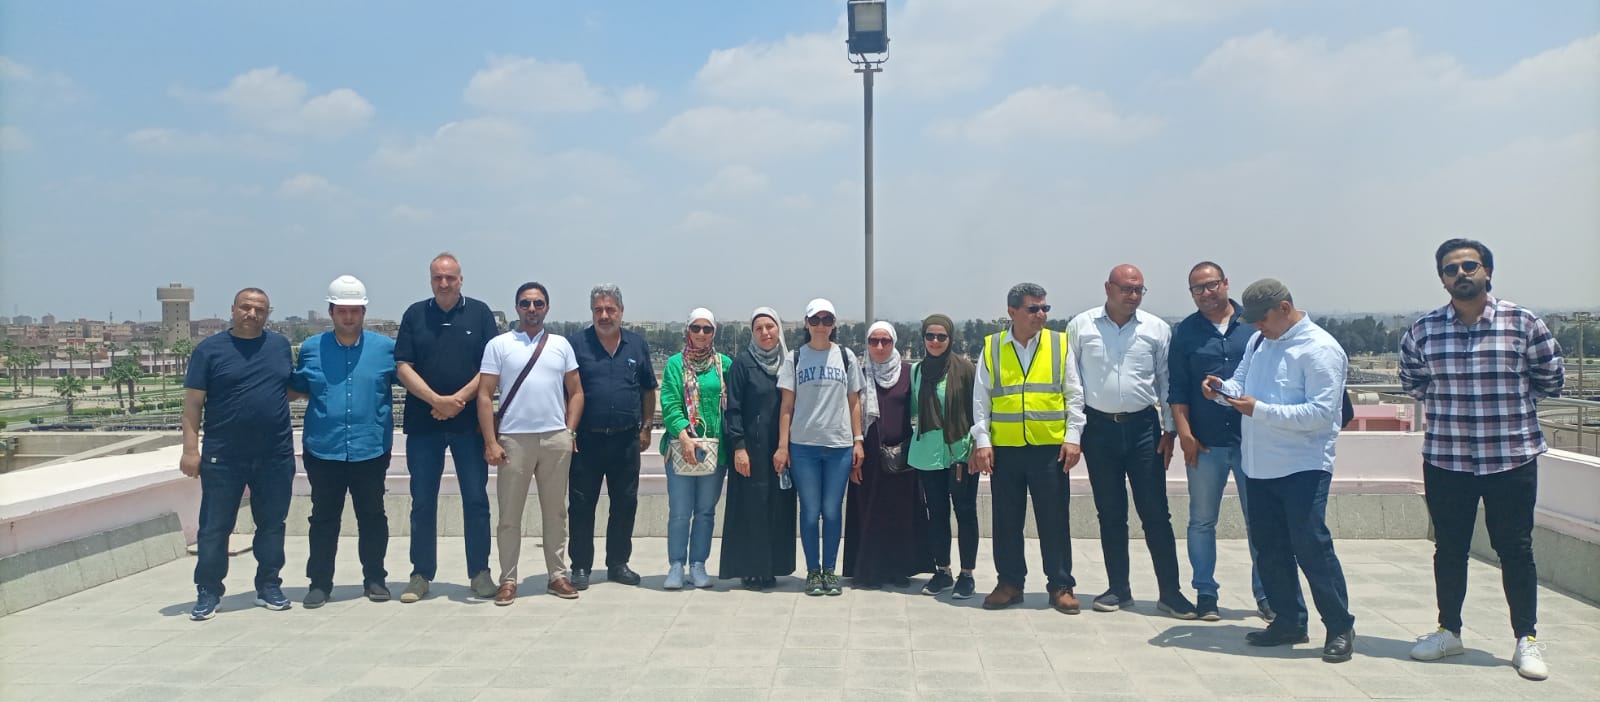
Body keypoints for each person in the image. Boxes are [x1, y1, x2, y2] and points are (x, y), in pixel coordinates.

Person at [1400, 238, 1564, 681]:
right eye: (1451, 269)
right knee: (1449, 549)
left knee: (1516, 549)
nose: (1461, 274)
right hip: (1447, 458)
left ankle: (1526, 639)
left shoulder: (1522, 323)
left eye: (1470, 266)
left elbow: (1551, 379)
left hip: (1511, 457)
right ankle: (1448, 631)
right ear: (1442, 279)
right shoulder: (1424, 331)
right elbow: (1413, 382)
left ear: (1487, 271)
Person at [1204, 278, 1354, 663]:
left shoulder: (1320, 349)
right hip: (1258, 465)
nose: (1257, 326)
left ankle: (1339, 625)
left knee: (1311, 547)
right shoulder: (1259, 342)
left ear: (1284, 308)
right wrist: (1221, 390)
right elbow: (1241, 384)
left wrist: (1259, 410)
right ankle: (1289, 621)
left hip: (1303, 466)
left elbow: (1321, 414)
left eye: (1263, 318)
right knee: (1269, 549)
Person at [1068, 265, 1197, 619]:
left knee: (1155, 513)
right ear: (1108, 287)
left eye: (1139, 289)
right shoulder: (1081, 326)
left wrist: (1170, 430)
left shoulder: (1156, 329)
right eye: (1127, 288)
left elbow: (1166, 382)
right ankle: (1118, 588)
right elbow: (1073, 384)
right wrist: (1074, 434)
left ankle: (1170, 592)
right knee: (1110, 513)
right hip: (1098, 429)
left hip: (1143, 429)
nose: (1133, 295)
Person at [1168, 261, 1275, 622]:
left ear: (1226, 283)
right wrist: (1185, 434)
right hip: (1205, 443)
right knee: (1201, 521)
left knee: (1259, 522)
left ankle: (1267, 594)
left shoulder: (1254, 326)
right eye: (1197, 288)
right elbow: (1178, 389)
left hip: (1253, 442)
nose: (1206, 293)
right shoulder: (1185, 332)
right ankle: (1205, 593)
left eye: (1211, 285)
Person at [181, 288, 296, 620]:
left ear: (268, 313)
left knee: (272, 525)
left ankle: (269, 586)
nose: (252, 313)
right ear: (233, 309)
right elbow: (193, 404)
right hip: (224, 456)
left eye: (260, 309)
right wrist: (190, 450)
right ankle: (208, 592)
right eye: (246, 307)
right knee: (214, 528)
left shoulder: (279, 346)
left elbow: (285, 389)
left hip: (274, 454)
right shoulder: (209, 350)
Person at [971, 283, 1086, 614]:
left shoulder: (1059, 344)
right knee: (1006, 520)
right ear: (1012, 312)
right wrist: (983, 441)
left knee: (1054, 520)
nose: (1041, 315)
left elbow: (1074, 394)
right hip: (1005, 449)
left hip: (1049, 447)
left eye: (1044, 308)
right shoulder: (993, 347)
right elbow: (981, 399)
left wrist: (1073, 436)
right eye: (1033, 309)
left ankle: (1061, 585)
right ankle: (1009, 583)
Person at [394, 253, 500, 603]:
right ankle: (420, 574)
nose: (444, 283)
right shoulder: (414, 314)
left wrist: (456, 400)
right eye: (438, 278)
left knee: (476, 499)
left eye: (450, 278)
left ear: (460, 280)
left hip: (469, 423)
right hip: (423, 423)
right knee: (423, 501)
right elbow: (403, 366)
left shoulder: (480, 314)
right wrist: (436, 401)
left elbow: (490, 368)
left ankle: (480, 573)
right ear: (430, 280)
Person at [290, 275, 397, 608]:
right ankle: (320, 583)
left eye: (354, 311)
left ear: (364, 312)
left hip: (370, 447)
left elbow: (411, 380)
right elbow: (295, 388)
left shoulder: (385, 349)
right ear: (331, 312)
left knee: (372, 516)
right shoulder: (311, 348)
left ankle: (375, 579)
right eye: (342, 311)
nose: (348, 317)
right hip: (324, 448)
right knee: (323, 518)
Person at [477, 282, 583, 604]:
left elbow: (576, 391)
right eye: (525, 303)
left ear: (547, 307)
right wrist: (491, 441)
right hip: (514, 440)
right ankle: (508, 579)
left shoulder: (561, 345)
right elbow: (484, 395)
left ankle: (557, 575)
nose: (532, 309)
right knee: (509, 516)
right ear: (517, 307)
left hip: (555, 438)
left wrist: (569, 432)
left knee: (556, 513)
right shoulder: (499, 345)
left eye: (538, 303)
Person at [568, 284, 657, 589]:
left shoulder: (636, 345)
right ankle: (580, 566)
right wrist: (569, 430)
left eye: (610, 309)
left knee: (625, 503)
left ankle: (618, 563)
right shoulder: (576, 344)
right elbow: (565, 391)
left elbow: (648, 389)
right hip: (585, 441)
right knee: (581, 505)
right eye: (598, 310)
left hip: (625, 440)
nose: (604, 315)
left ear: (621, 311)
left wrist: (646, 427)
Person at [776, 298, 865, 597]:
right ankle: (813, 571)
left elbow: (854, 402)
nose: (821, 325)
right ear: (806, 323)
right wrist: (783, 446)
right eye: (815, 320)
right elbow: (786, 406)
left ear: (834, 324)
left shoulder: (846, 357)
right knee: (810, 511)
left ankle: (830, 570)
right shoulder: (795, 358)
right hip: (804, 446)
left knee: (832, 510)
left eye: (827, 320)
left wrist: (858, 440)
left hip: (839, 445)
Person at [843, 322, 932, 589]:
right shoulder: (859, 375)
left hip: (901, 458)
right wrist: (854, 451)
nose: (879, 347)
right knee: (869, 512)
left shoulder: (908, 373)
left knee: (900, 513)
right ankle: (869, 571)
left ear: (894, 343)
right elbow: (850, 412)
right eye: (873, 341)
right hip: (867, 456)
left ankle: (898, 569)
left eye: (885, 341)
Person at [720, 307, 798, 590]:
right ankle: (751, 569)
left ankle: (771, 567)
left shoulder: (789, 364)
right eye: (759, 328)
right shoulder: (743, 364)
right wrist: (739, 447)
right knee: (751, 508)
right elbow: (733, 409)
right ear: (752, 333)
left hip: (781, 449)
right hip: (751, 451)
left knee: (777, 507)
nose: (765, 333)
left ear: (779, 330)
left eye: (770, 327)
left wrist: (787, 445)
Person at [658, 308, 732, 589]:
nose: (701, 334)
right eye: (696, 328)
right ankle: (676, 564)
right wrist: (685, 436)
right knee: (679, 511)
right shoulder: (675, 364)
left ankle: (698, 563)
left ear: (714, 332)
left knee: (705, 511)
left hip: (714, 451)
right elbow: (669, 403)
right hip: (682, 448)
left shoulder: (724, 365)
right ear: (687, 330)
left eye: (707, 329)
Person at [909, 314, 979, 599]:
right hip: (929, 454)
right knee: (937, 513)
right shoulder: (917, 371)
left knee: (965, 512)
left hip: (961, 452)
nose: (935, 341)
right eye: (930, 336)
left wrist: (977, 448)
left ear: (951, 339)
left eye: (941, 337)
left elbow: (979, 411)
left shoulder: (965, 369)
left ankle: (967, 574)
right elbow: (914, 409)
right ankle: (943, 571)